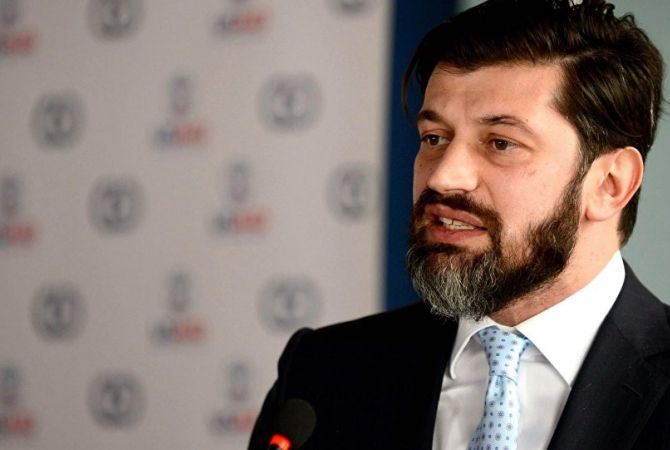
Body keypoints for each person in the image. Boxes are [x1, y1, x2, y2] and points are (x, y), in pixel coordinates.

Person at [249, 0, 670, 448]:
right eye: (434, 138)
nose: (443, 176)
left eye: (501, 143)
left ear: (609, 184)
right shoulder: (322, 374)